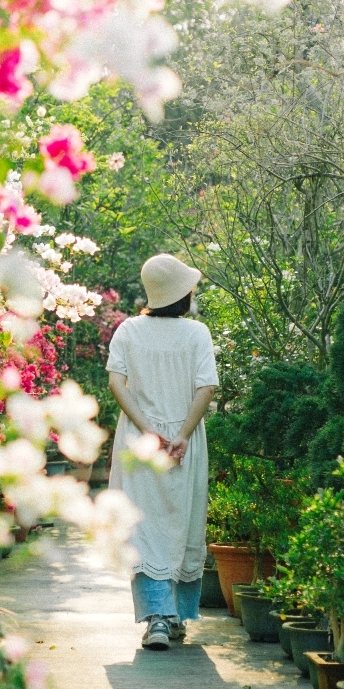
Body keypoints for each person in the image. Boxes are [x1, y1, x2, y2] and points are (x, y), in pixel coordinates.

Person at [105, 253, 219, 651]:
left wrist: (148, 430)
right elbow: (206, 387)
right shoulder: (197, 333)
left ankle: (158, 618)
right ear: (182, 294)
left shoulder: (128, 330)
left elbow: (117, 383)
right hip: (185, 439)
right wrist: (182, 434)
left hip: (140, 440)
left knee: (146, 526)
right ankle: (173, 617)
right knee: (182, 523)